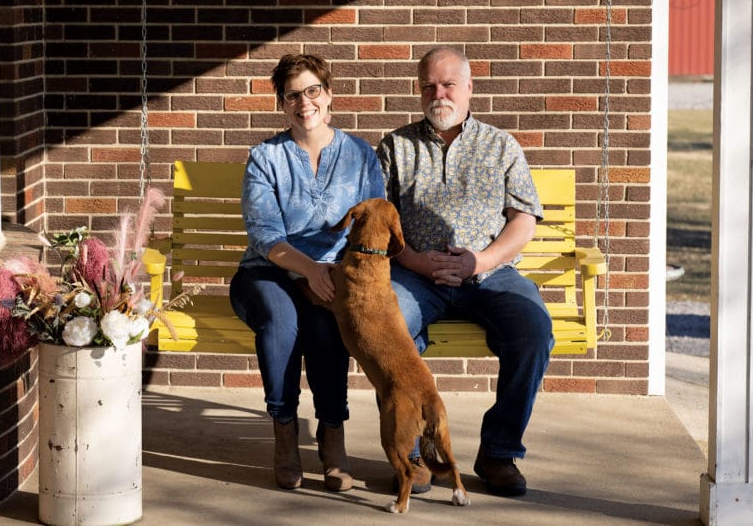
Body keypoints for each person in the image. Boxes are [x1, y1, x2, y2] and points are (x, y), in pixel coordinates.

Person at [376, 46, 554, 498]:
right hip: (416, 273)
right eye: (429, 86)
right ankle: (412, 453)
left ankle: (498, 452)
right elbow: (378, 220)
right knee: (391, 328)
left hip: (490, 272)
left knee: (533, 329)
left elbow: (524, 219)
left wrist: (481, 261)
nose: (439, 94)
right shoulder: (396, 146)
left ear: (469, 88)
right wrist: (412, 259)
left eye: (449, 84)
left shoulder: (500, 145)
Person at [230, 53, 386, 492]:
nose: (304, 102)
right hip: (268, 272)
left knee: (325, 325)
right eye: (292, 95)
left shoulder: (359, 155)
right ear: (282, 103)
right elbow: (263, 234)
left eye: (312, 90)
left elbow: (371, 223)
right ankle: (285, 437)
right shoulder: (265, 157)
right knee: (281, 321)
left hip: (332, 274)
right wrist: (307, 270)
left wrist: (336, 274)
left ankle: (332, 442)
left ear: (329, 93)